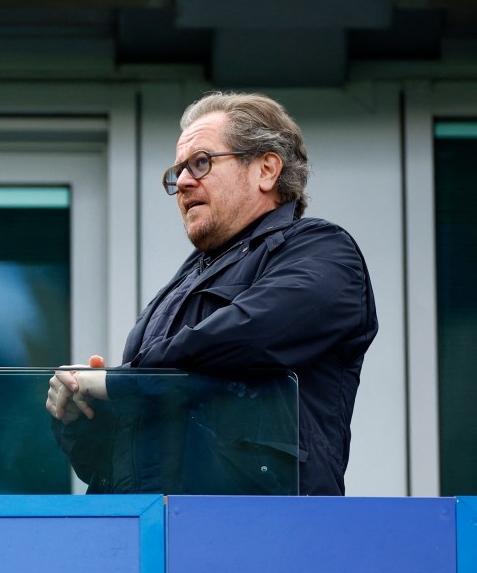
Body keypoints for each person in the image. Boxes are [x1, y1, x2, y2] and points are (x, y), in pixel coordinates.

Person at [46, 92, 378, 496]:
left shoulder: (322, 249)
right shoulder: (180, 284)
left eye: (201, 162)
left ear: (266, 169)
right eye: (178, 172)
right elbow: (123, 453)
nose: (183, 182)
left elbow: (249, 336)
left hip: (262, 536)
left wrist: (120, 383)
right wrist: (85, 412)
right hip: (152, 536)